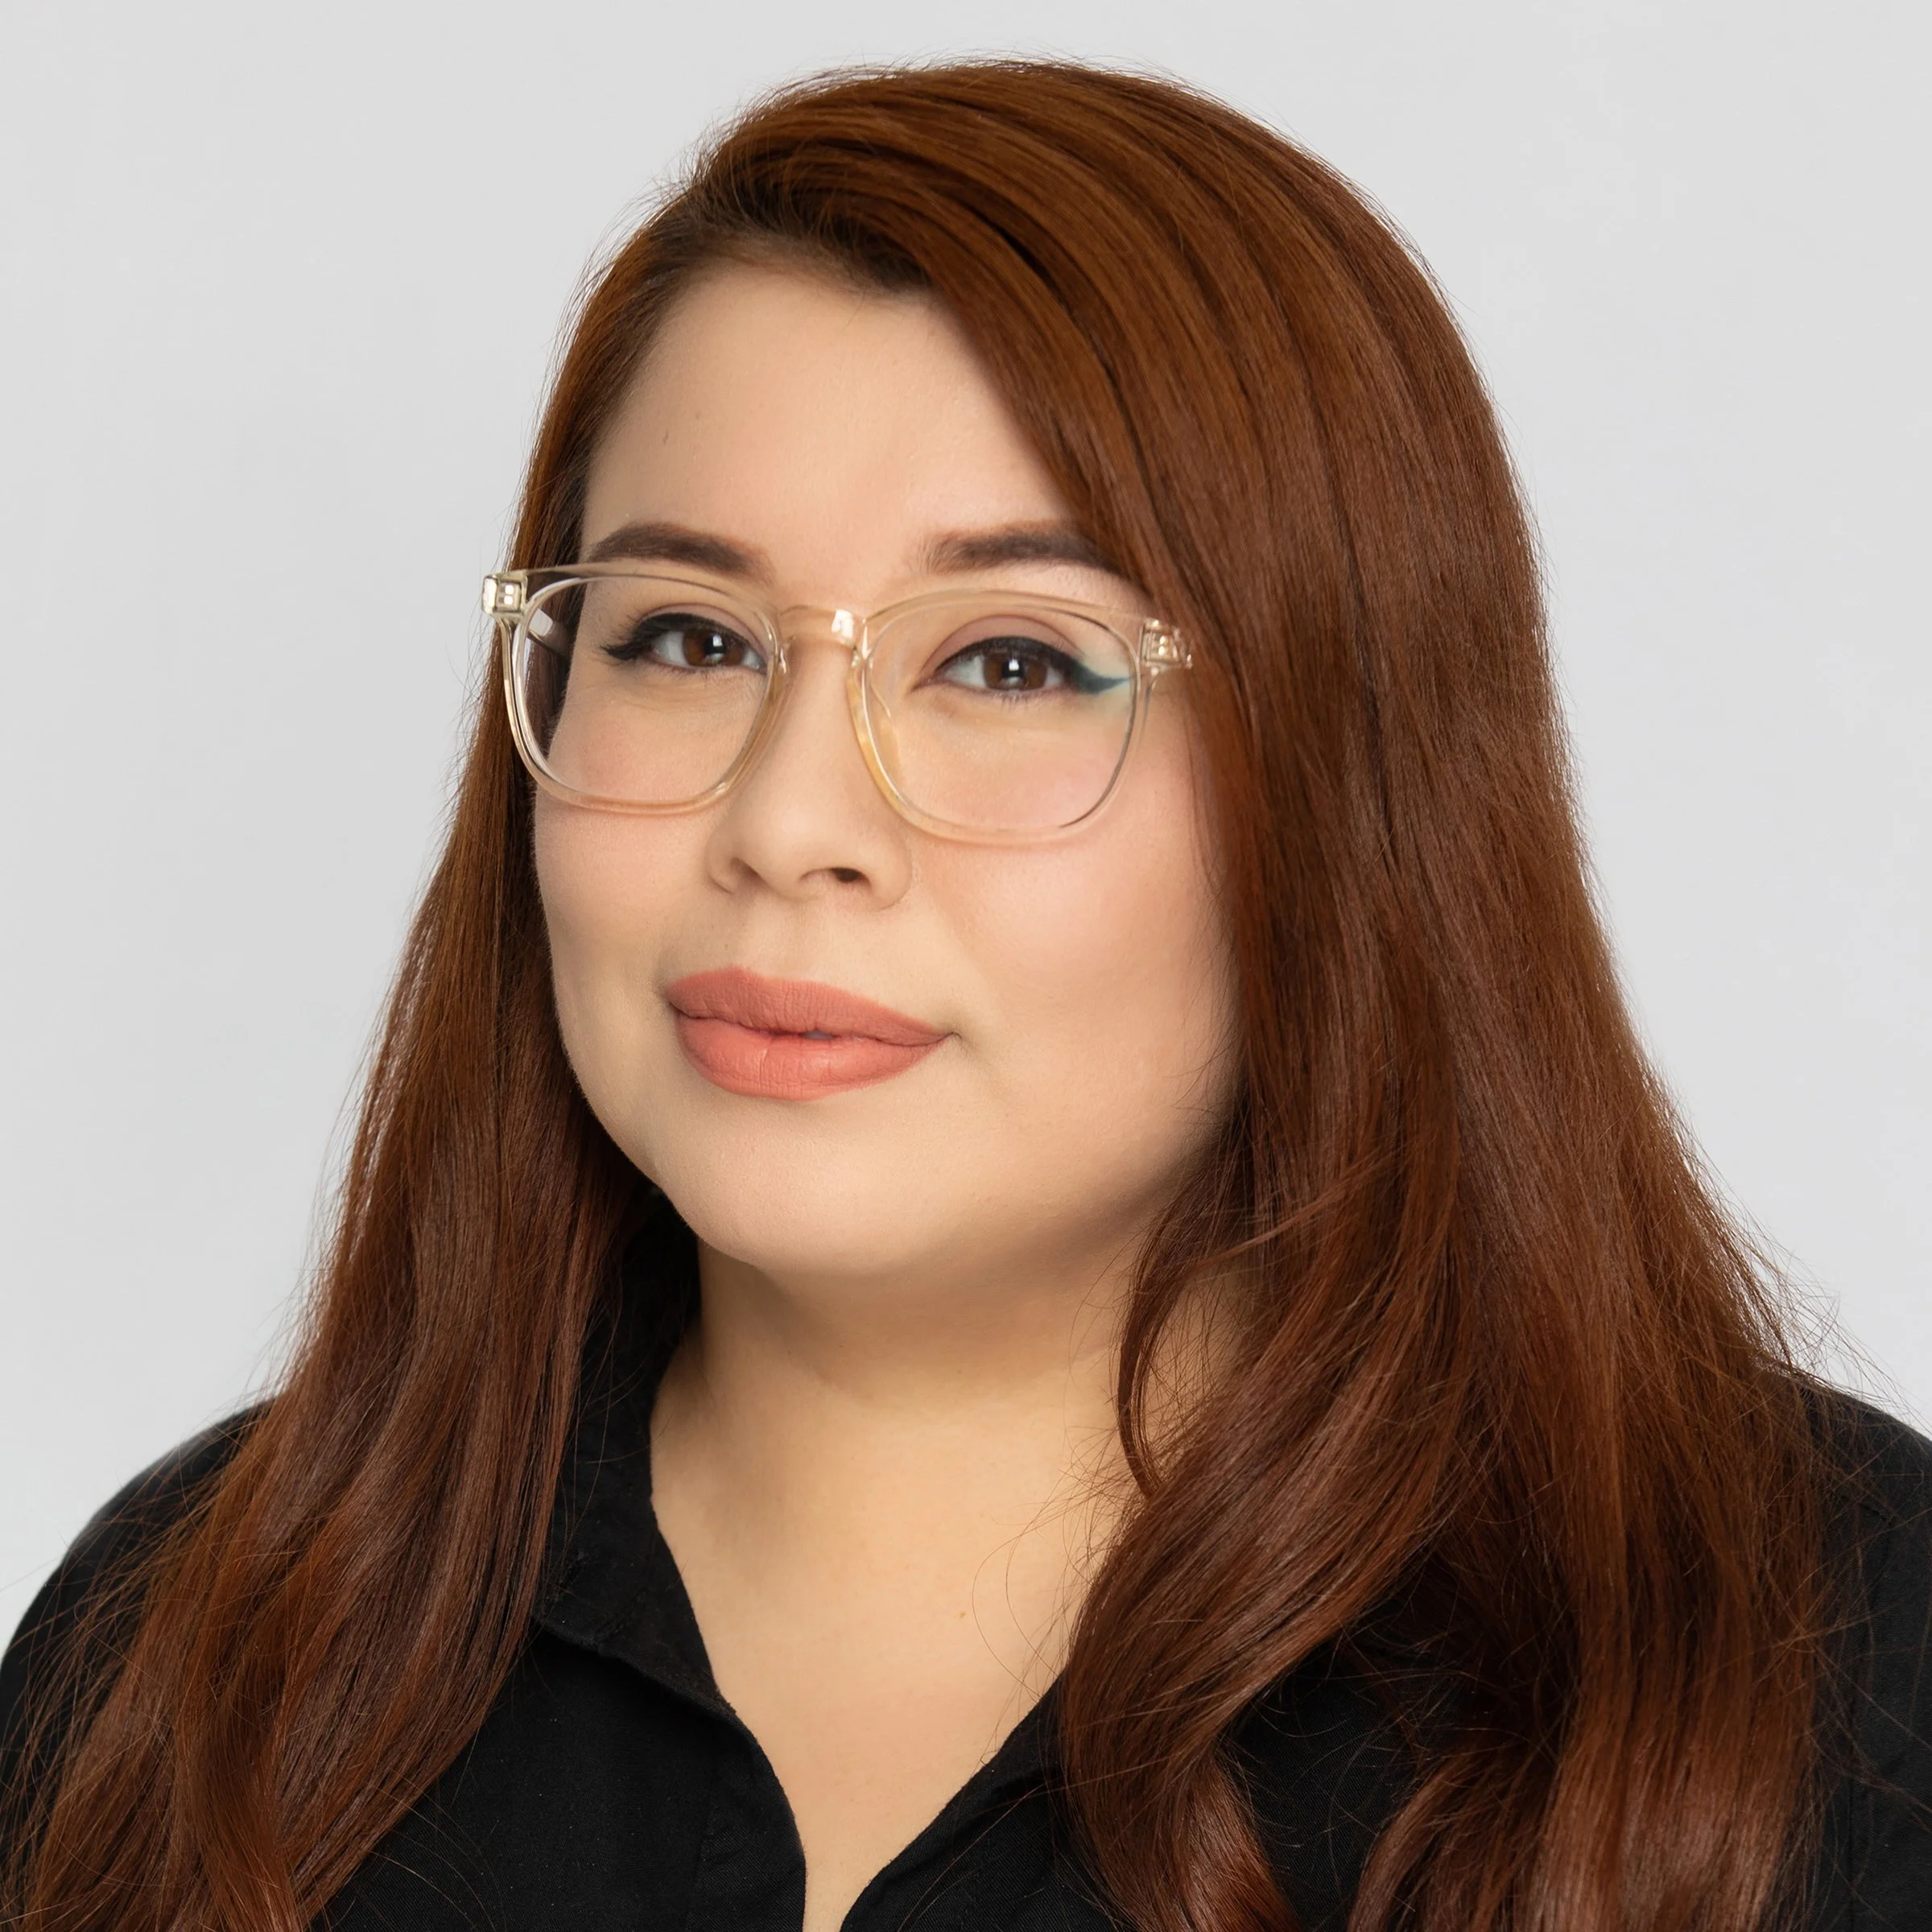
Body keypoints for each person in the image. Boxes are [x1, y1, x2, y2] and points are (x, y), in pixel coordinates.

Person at [2, 59, 1928, 1932]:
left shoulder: (1824, 1665)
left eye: (1011, 662)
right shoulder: (188, 1639)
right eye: (683, 634)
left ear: (1353, 782)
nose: (787, 822)